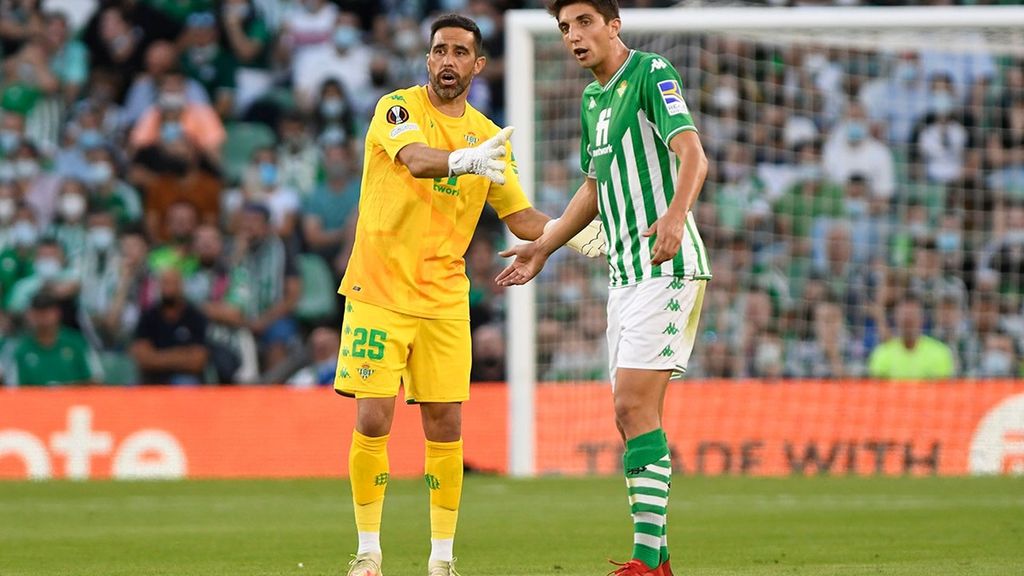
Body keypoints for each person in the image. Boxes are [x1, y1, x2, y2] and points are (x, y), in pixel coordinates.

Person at [337, 14, 586, 576]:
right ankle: (368, 552)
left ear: (479, 64)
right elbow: (416, 161)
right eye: (438, 51)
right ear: (427, 59)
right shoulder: (396, 109)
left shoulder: (489, 136)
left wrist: (583, 233)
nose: (446, 61)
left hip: (444, 298)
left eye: (459, 53)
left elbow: (520, 217)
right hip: (378, 288)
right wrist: (464, 161)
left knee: (445, 425)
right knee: (374, 419)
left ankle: (442, 559)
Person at [497, 2, 711, 575]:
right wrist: (543, 245)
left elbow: (693, 153)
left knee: (632, 405)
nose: (574, 36)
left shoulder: (651, 72)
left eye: (585, 22)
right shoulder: (593, 100)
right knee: (629, 417)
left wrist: (673, 215)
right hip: (624, 274)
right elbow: (593, 188)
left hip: (668, 265)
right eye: (565, 28)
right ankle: (659, 561)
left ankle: (644, 562)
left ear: (613, 25)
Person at [1, 289, 102, 386]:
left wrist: (63, 391)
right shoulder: (21, 349)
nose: (43, 317)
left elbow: (96, 379)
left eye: (47, 311)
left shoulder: (77, 342)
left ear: (57, 313)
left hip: (73, 402)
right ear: (30, 314)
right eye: (38, 312)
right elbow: (13, 389)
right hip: (33, 402)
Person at [867, 296, 955, 380]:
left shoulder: (940, 353)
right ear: (896, 319)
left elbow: (944, 390)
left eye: (912, 319)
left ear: (922, 319)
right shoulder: (882, 353)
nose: (908, 324)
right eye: (905, 321)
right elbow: (876, 390)